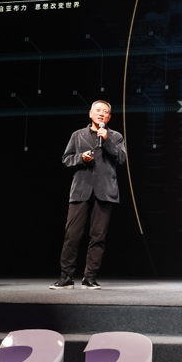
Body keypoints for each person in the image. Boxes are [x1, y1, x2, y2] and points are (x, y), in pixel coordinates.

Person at [50, 100, 126, 289]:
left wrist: (106, 140)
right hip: (81, 189)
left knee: (98, 237)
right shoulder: (78, 135)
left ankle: (89, 278)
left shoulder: (115, 136)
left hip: (105, 191)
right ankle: (66, 277)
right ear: (90, 113)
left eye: (105, 112)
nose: (101, 114)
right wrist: (81, 158)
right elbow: (66, 159)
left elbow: (121, 159)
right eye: (98, 110)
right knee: (72, 235)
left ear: (109, 117)